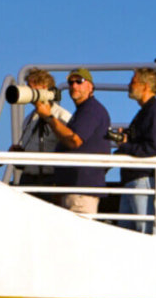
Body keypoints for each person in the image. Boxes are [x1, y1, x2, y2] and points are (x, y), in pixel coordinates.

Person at [36, 68, 111, 214]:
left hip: (81, 191)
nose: (74, 86)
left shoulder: (91, 110)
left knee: (80, 235)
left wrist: (49, 117)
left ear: (90, 86)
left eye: (79, 81)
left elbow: (74, 140)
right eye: (71, 82)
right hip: (75, 189)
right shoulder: (84, 110)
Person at [113, 68, 156, 233]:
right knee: (129, 232)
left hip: (144, 179)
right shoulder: (149, 112)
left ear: (146, 86)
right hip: (137, 179)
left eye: (133, 81)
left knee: (144, 231)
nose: (129, 85)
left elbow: (155, 148)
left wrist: (125, 145)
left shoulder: (154, 112)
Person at [9, 69, 72, 198]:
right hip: (27, 179)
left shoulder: (62, 116)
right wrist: (18, 156)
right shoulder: (29, 118)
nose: (28, 91)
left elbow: (69, 145)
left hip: (51, 179)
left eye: (31, 87)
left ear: (44, 88)